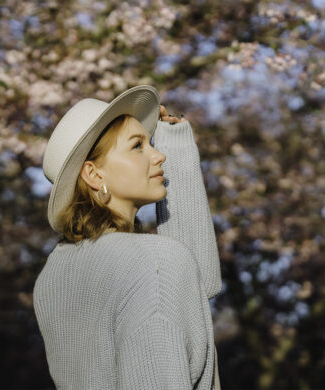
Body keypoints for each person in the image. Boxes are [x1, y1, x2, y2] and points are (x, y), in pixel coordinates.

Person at [33, 85, 222, 389]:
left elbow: (199, 284)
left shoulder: (53, 275)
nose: (159, 156)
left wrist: (176, 147)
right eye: (137, 146)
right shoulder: (154, 260)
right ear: (94, 175)